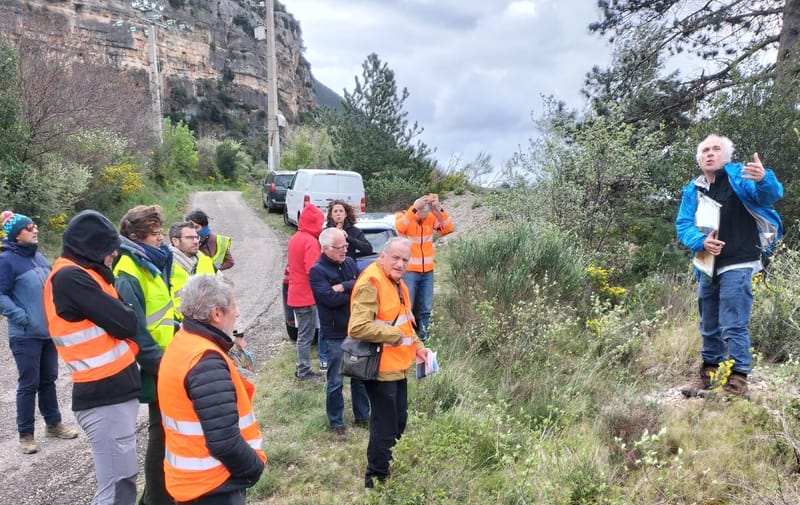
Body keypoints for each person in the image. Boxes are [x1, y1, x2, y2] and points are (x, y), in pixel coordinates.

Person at [44, 210, 141, 505]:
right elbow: (127, 322)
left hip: (112, 393)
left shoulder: (87, 274)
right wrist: (122, 312)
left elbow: (123, 317)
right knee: (115, 488)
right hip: (103, 396)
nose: (113, 254)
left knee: (123, 482)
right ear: (91, 248)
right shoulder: (71, 277)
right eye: (108, 248)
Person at [676, 134, 783, 398]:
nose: (710, 154)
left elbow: (768, 196)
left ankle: (737, 381)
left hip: (740, 259)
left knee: (733, 322)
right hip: (707, 263)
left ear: (726, 156)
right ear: (699, 158)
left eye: (716, 149)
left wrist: (763, 178)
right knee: (709, 321)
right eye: (705, 151)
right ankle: (709, 373)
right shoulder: (694, 189)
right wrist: (701, 242)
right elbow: (683, 225)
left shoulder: (740, 177)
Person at [158, 274, 266, 504]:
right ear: (217, 314)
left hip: (194, 482)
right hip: (213, 486)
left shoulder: (183, 342)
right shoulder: (205, 361)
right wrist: (254, 468)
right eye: (234, 306)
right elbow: (225, 442)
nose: (237, 313)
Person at [349, 237, 431, 488]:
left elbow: (406, 321)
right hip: (379, 368)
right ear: (382, 256)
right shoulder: (371, 282)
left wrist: (419, 347)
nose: (400, 263)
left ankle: (384, 465)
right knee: (385, 426)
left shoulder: (397, 283)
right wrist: (395, 336)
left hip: (398, 367)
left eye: (405, 260)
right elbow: (357, 327)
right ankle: (375, 478)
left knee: (398, 422)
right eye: (395, 257)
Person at [0, 211, 78, 454]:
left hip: (48, 332)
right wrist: (21, 316)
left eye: (35, 226)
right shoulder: (7, 260)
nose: (35, 230)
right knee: (28, 383)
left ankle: (53, 423)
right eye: (29, 227)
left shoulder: (40, 257)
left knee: (48, 380)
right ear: (16, 234)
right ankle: (25, 434)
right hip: (25, 335)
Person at [114, 205, 176, 505]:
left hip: (168, 358)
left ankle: (159, 495)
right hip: (156, 365)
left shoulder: (149, 262)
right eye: (155, 234)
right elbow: (136, 330)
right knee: (161, 433)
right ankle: (155, 499)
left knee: (168, 430)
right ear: (136, 237)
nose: (161, 239)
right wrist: (162, 365)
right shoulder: (128, 272)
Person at [309, 228, 370, 437]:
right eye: (340, 247)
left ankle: (363, 416)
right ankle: (336, 422)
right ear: (325, 249)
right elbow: (328, 300)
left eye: (345, 245)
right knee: (335, 381)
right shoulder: (317, 271)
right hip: (334, 333)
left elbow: (363, 285)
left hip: (356, 328)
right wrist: (351, 292)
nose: (345, 249)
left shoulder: (350, 263)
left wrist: (342, 286)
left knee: (359, 377)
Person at [395, 193, 453, 341]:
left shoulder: (431, 217)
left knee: (426, 308)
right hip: (410, 272)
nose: (423, 217)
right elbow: (400, 228)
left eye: (425, 213)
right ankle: (407, 338)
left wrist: (438, 208)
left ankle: (425, 340)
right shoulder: (405, 216)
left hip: (427, 270)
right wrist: (414, 209)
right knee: (408, 307)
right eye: (421, 213)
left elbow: (447, 228)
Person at [288, 204, 325, 381]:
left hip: (296, 292)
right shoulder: (310, 241)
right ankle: (303, 371)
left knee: (304, 334)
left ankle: (302, 368)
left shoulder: (296, 237)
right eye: (320, 222)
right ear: (314, 222)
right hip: (305, 296)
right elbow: (313, 269)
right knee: (306, 335)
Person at [168, 221, 217, 321]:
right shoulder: (165, 266)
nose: (195, 241)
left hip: (209, 323)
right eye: (189, 238)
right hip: (179, 327)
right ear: (175, 241)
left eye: (196, 237)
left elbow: (223, 294)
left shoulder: (205, 261)